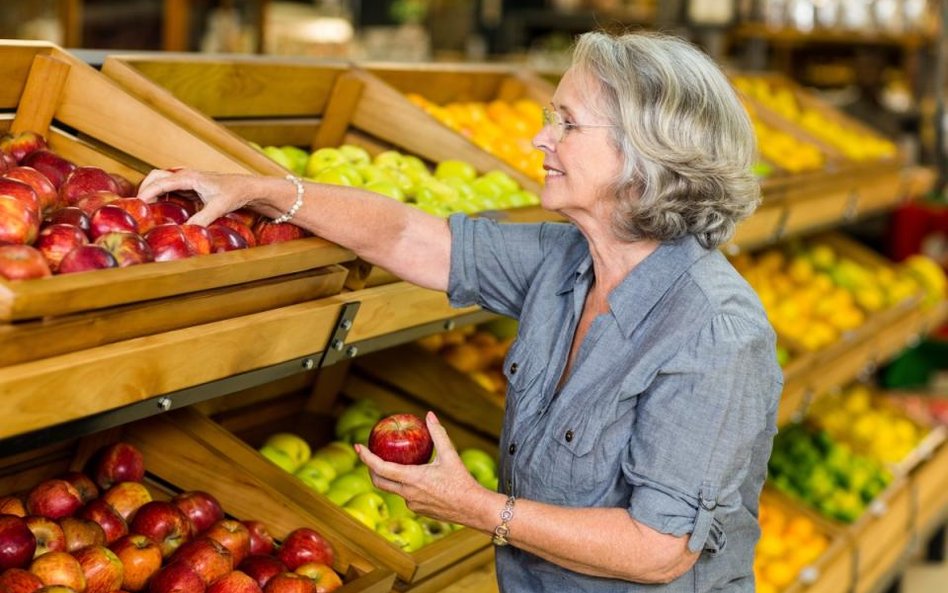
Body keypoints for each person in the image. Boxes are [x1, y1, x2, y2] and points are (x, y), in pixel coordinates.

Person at [137, 30, 782, 592]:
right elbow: (406, 236)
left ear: (643, 159)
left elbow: (659, 549)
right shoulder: (567, 261)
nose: (538, 138)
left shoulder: (715, 334)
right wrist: (262, 191)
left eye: (566, 123)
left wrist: (478, 508)